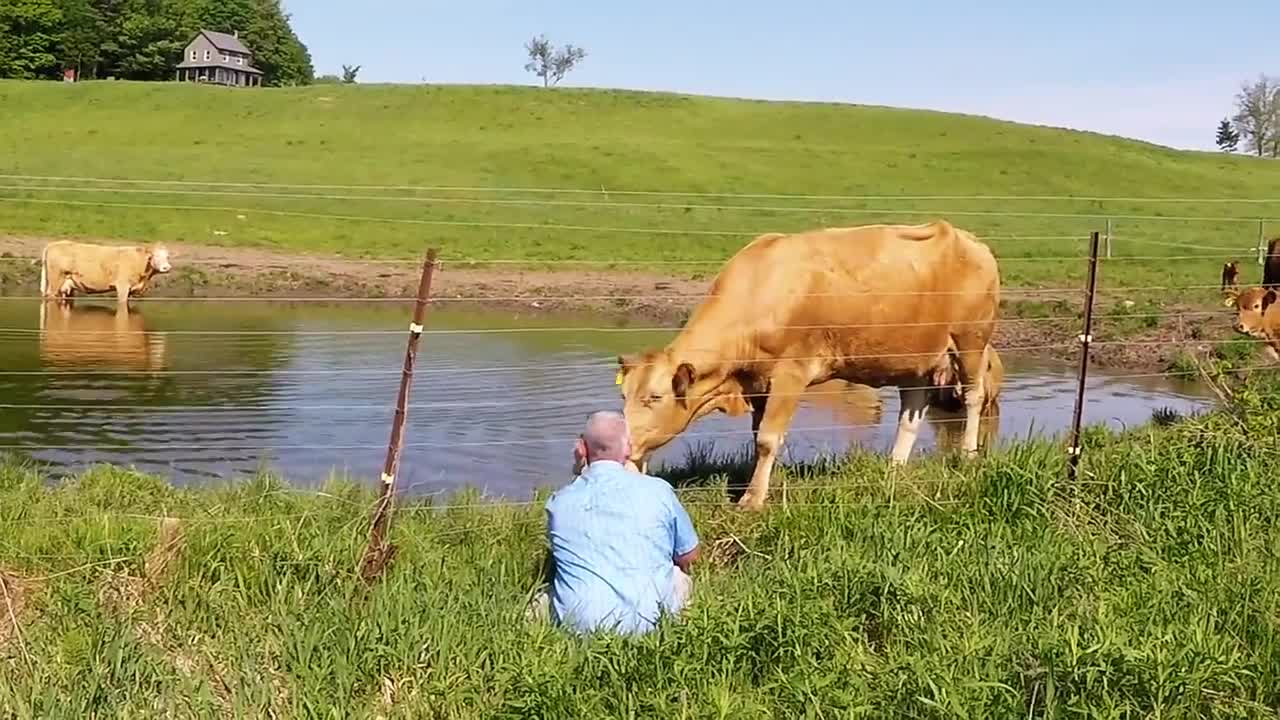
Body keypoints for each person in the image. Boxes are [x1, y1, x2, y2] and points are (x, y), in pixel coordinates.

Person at [528, 410, 700, 635]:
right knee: (680, 578)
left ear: (581, 449)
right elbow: (690, 555)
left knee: (540, 600)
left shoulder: (558, 503)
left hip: (582, 630)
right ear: (628, 448)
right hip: (654, 624)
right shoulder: (659, 490)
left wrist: (578, 469)